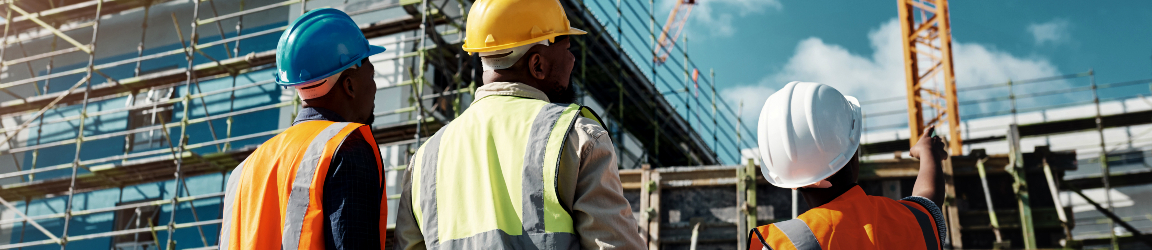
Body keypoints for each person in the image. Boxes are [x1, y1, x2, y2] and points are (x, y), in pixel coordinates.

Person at [392, 0, 645, 248]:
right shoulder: (576, 137)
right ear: (537, 64)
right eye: (568, 50)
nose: (572, 62)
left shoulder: (424, 161)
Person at [218, 8, 388, 250]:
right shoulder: (345, 148)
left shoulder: (243, 172)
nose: (374, 87)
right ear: (349, 85)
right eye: (371, 75)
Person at [748, 81, 948, 250]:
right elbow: (929, 200)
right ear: (853, 155)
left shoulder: (782, 243)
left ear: (791, 182)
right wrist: (929, 153)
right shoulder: (912, 221)